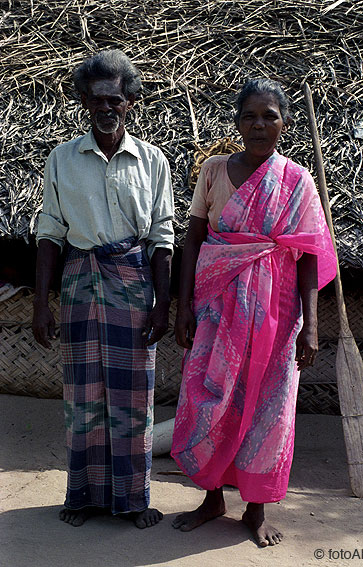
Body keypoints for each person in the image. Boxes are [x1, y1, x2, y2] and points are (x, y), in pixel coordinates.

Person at [171, 79, 336, 547]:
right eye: (249, 116)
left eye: (269, 116)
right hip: (216, 310)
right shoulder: (214, 171)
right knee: (209, 397)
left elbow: (307, 257)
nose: (258, 124)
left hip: (277, 316)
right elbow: (194, 240)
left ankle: (255, 508)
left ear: (284, 123)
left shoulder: (297, 181)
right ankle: (211, 498)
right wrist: (184, 308)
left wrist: (310, 328)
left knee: (268, 407)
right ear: (237, 121)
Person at [32, 49, 174, 528]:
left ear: (130, 101)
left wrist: (161, 306)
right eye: (96, 101)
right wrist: (40, 305)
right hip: (78, 281)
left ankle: (134, 501)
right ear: (84, 102)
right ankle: (82, 498)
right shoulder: (62, 159)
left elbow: (162, 238)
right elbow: (50, 232)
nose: (106, 109)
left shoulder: (152, 161)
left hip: (133, 283)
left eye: (115, 100)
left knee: (134, 395)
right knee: (83, 395)